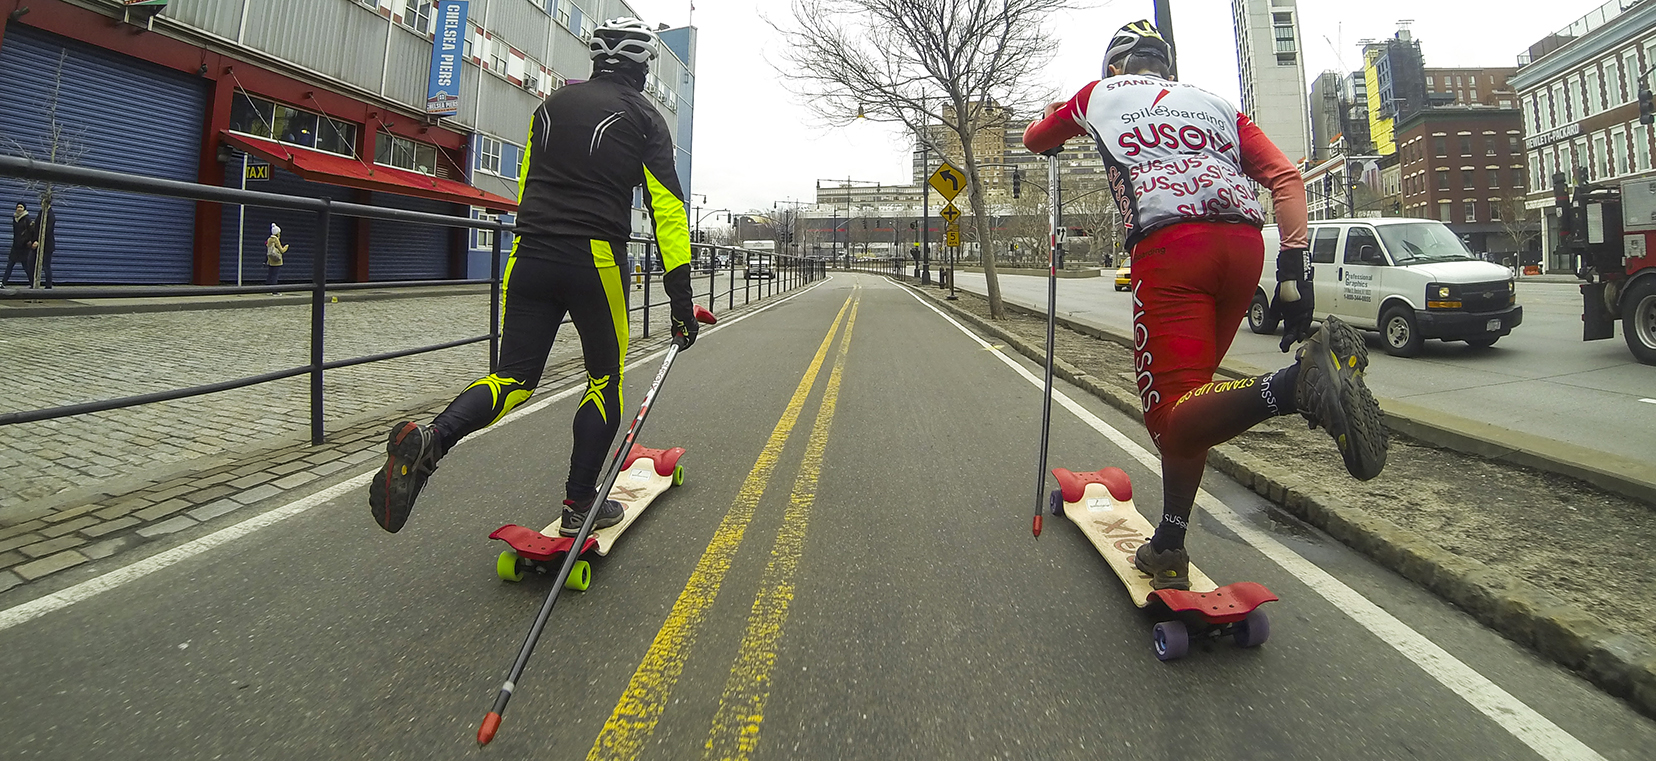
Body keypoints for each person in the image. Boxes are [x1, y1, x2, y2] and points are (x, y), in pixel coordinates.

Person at [1022, 20, 1387, 590]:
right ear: (1165, 68)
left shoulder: (1098, 95)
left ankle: (1296, 386)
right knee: (1194, 406)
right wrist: (1293, 269)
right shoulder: (1217, 104)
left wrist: (1048, 118)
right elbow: (1289, 178)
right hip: (1244, 245)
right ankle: (1168, 544)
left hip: (1171, 248)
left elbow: (1034, 140)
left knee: (1172, 419)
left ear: (1114, 67)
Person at [368, 17, 699, 535]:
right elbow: (669, 213)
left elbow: (527, 186)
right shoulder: (645, 118)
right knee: (603, 380)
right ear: (640, 63)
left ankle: (433, 439)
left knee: (512, 379)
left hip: (528, 254)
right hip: (593, 259)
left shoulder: (549, 107)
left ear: (596, 57)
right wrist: (681, 304)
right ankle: (578, 507)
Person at [3, 202, 34, 288]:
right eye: (18, 207)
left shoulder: (27, 219)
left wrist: (28, 241)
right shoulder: (15, 218)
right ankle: (3, 282)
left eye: (21, 207)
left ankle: (33, 283)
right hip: (16, 246)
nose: (19, 208)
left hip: (23, 247)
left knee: (26, 267)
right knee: (10, 265)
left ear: (24, 209)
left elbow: (32, 231)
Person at [264, 224, 288, 291]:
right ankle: (274, 291)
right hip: (276, 261)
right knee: (275, 276)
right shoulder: (276, 239)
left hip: (270, 260)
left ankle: (266, 289)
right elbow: (282, 250)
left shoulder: (269, 239)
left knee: (270, 275)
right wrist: (286, 247)